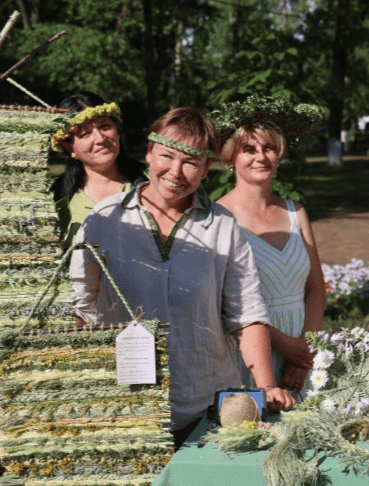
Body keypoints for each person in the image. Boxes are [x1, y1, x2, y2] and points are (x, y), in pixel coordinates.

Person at [69, 107, 294, 448]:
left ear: (206, 170)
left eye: (191, 162)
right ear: (148, 154)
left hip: (205, 405)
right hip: (126, 404)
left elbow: (248, 314)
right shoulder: (105, 219)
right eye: (166, 156)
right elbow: (80, 308)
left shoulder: (222, 226)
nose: (176, 171)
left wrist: (265, 386)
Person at [215, 98, 326, 396]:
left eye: (269, 148)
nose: (261, 157)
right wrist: (284, 345)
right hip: (249, 349)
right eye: (249, 150)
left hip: (302, 350)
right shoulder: (217, 219)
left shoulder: (295, 212)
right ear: (230, 159)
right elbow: (223, 303)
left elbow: (316, 288)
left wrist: (303, 353)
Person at [50, 91, 146, 247]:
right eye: (85, 134)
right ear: (69, 147)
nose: (100, 139)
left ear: (116, 127)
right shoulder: (55, 199)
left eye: (105, 126)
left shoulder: (152, 182)